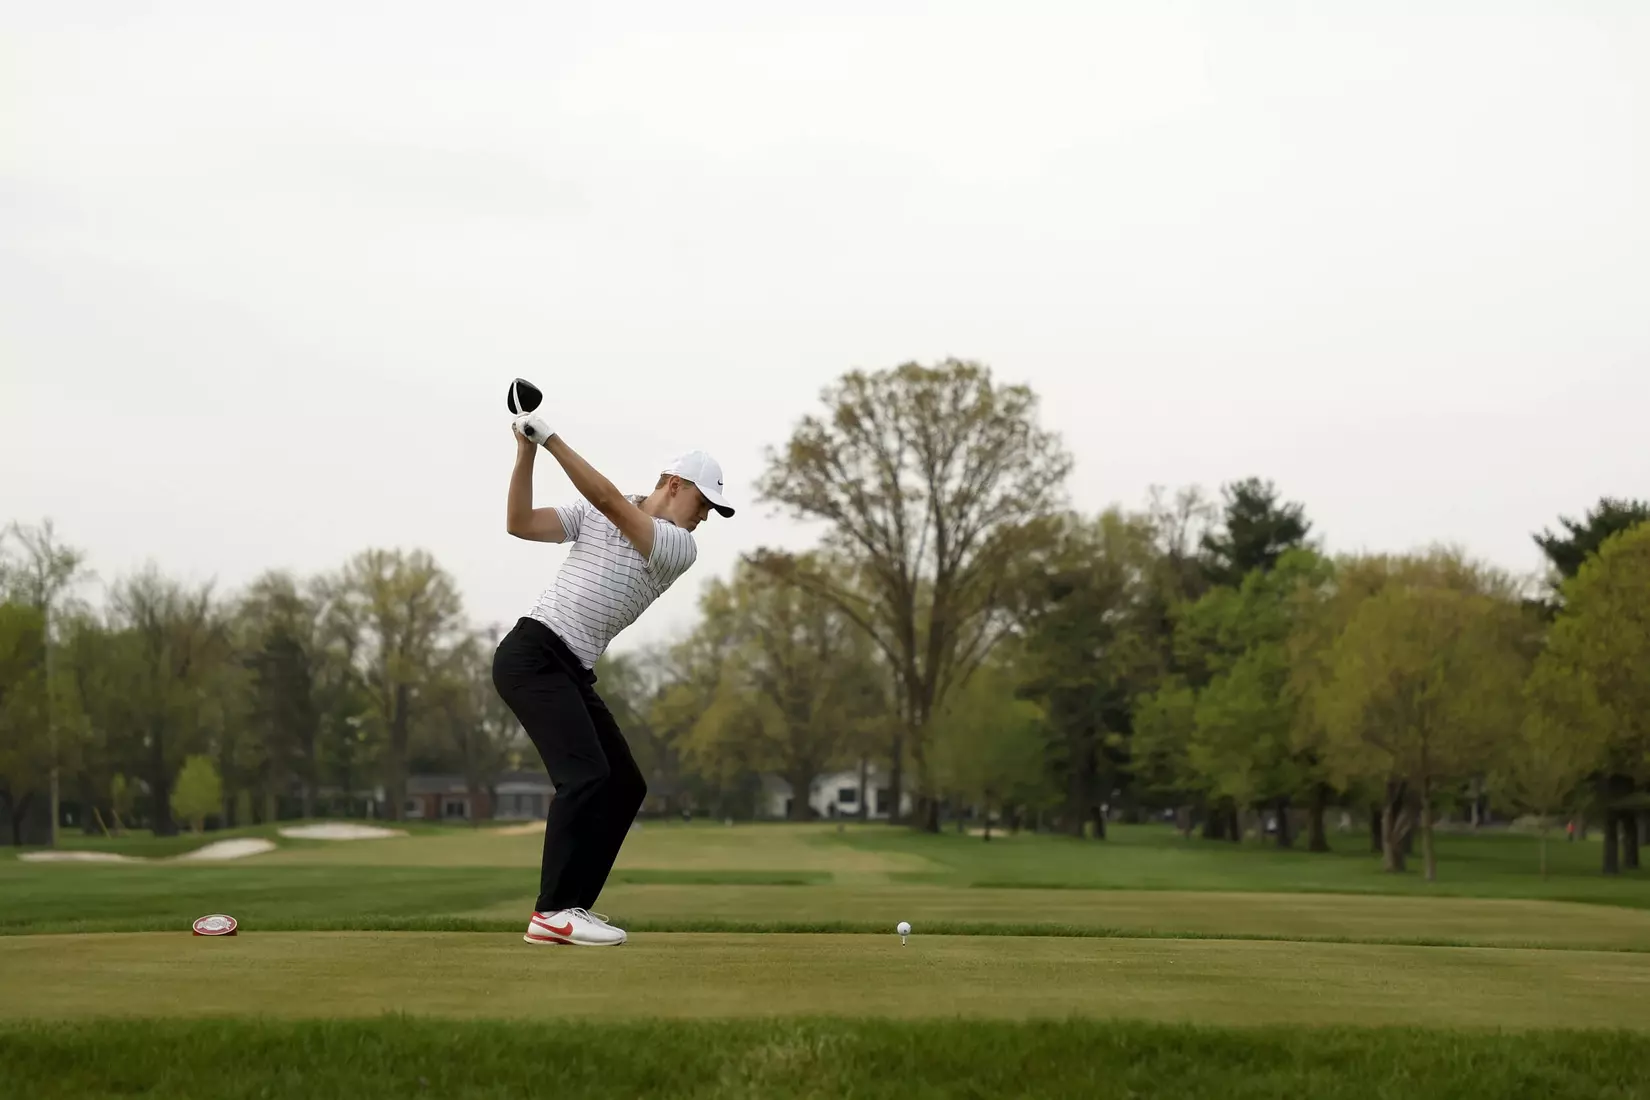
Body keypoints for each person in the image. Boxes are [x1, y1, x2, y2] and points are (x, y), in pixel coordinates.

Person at [493, 406, 733, 946]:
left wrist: (548, 436)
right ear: (675, 485)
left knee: (625, 785)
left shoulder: (677, 547)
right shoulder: (604, 508)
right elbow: (519, 522)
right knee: (583, 777)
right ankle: (551, 913)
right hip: (532, 654)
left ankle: (571, 905)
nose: (705, 517)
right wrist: (527, 449)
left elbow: (607, 500)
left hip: (569, 667)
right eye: (704, 503)